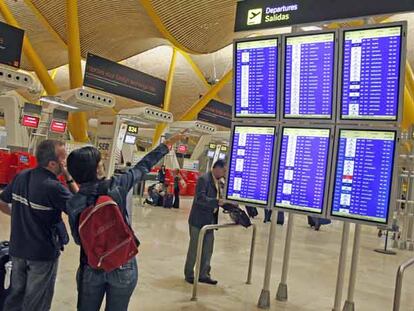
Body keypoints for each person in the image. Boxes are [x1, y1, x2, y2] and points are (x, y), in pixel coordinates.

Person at [66, 132, 184, 311]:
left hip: (91, 266)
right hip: (123, 263)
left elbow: (78, 238)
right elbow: (143, 166)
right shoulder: (117, 186)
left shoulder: (73, 203)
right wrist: (168, 144)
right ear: (98, 170)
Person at [0, 139, 78, 311]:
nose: (65, 163)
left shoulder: (21, 176)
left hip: (17, 250)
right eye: (63, 158)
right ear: (52, 163)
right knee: (36, 302)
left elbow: (2, 201)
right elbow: (80, 209)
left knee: (16, 295)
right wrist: (69, 177)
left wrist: (19, 214)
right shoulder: (54, 187)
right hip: (41, 255)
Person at [184, 160, 227, 285]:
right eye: (224, 170)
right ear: (217, 168)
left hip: (210, 221)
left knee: (208, 249)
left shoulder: (220, 182)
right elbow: (200, 199)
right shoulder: (204, 179)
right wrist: (217, 202)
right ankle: (189, 274)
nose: (225, 173)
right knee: (194, 248)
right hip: (198, 220)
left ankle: (204, 274)